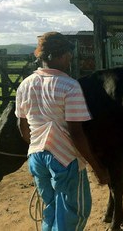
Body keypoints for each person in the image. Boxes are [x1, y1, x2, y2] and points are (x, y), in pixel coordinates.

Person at [15, 31, 110, 231]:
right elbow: (76, 133)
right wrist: (97, 167)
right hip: (64, 158)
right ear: (58, 55)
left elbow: (22, 127)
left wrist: (37, 147)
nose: (70, 59)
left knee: (51, 208)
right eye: (67, 54)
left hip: (36, 157)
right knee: (74, 213)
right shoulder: (70, 86)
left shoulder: (25, 85)